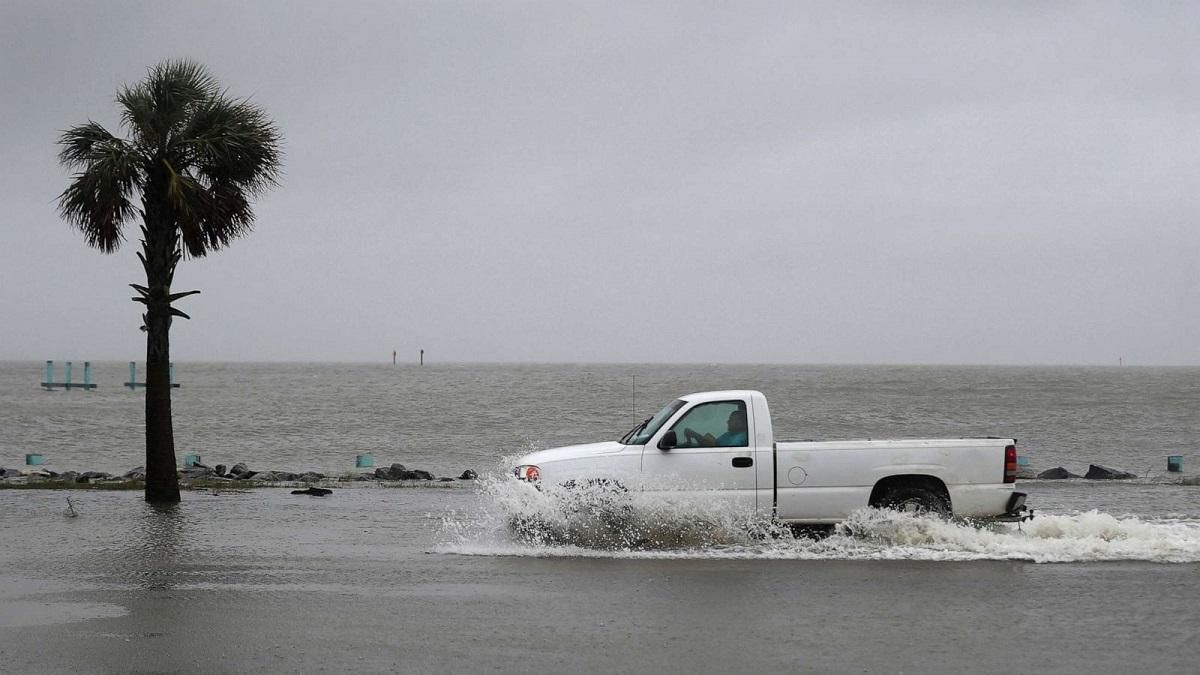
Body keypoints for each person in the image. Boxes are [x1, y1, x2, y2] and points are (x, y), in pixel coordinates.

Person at [683, 408, 748, 447]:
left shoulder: (741, 437)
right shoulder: (729, 434)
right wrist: (696, 436)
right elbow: (715, 444)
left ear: (739, 423)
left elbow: (724, 452)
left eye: (731, 420)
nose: (727, 422)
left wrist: (697, 436)